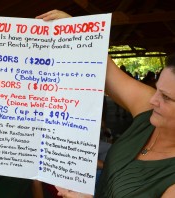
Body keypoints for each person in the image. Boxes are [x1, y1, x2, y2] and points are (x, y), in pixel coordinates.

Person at [36, 10, 175, 198]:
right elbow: (105, 70)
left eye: (166, 97)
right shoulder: (148, 111)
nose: (153, 99)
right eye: (157, 88)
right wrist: (77, 30)